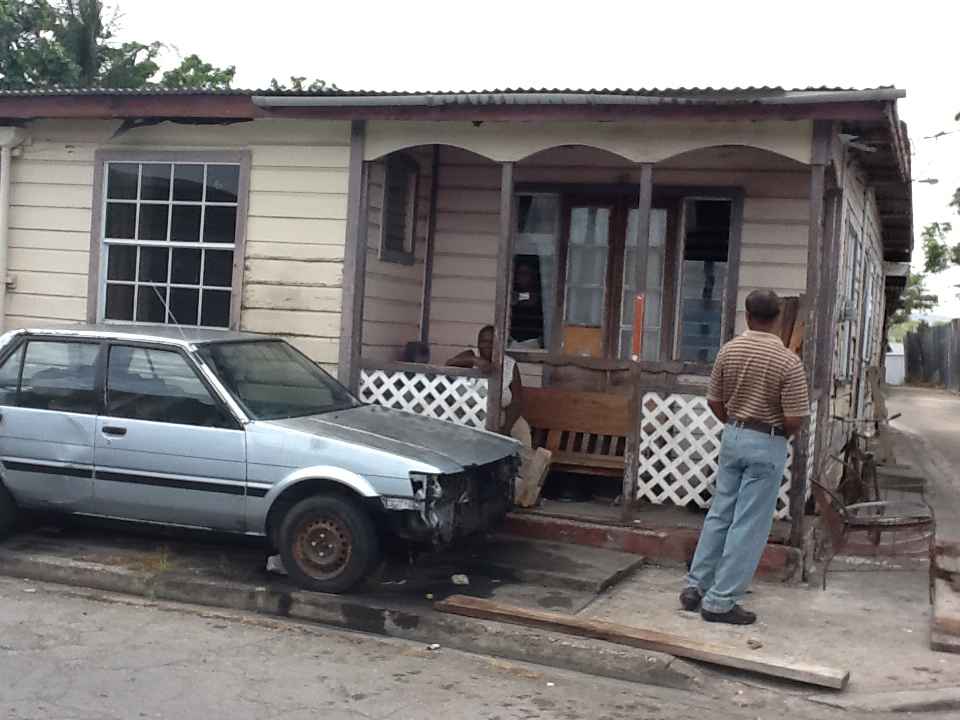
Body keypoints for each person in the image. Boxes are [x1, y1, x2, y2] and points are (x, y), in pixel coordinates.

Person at [679, 290, 810, 625]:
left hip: (733, 435)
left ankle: (696, 585)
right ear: (778, 317)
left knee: (720, 513)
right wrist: (776, 433)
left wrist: (734, 423)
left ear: (748, 316)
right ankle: (721, 600)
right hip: (767, 439)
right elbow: (795, 418)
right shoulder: (788, 361)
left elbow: (714, 400)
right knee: (749, 524)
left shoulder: (729, 350)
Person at [447, 325, 532, 447]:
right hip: (470, 411)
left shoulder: (510, 364)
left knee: (522, 429)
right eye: (482, 341)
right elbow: (449, 364)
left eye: (491, 342)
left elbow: (516, 402)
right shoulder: (471, 355)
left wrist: (507, 427)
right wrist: (474, 360)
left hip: (500, 413)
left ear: (500, 344)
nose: (486, 345)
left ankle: (525, 459)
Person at [509, 255, 545, 349]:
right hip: (512, 342)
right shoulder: (510, 292)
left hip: (534, 343)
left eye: (527, 273)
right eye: (520, 273)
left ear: (533, 275)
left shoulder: (543, 295)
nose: (523, 276)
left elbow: (532, 299)